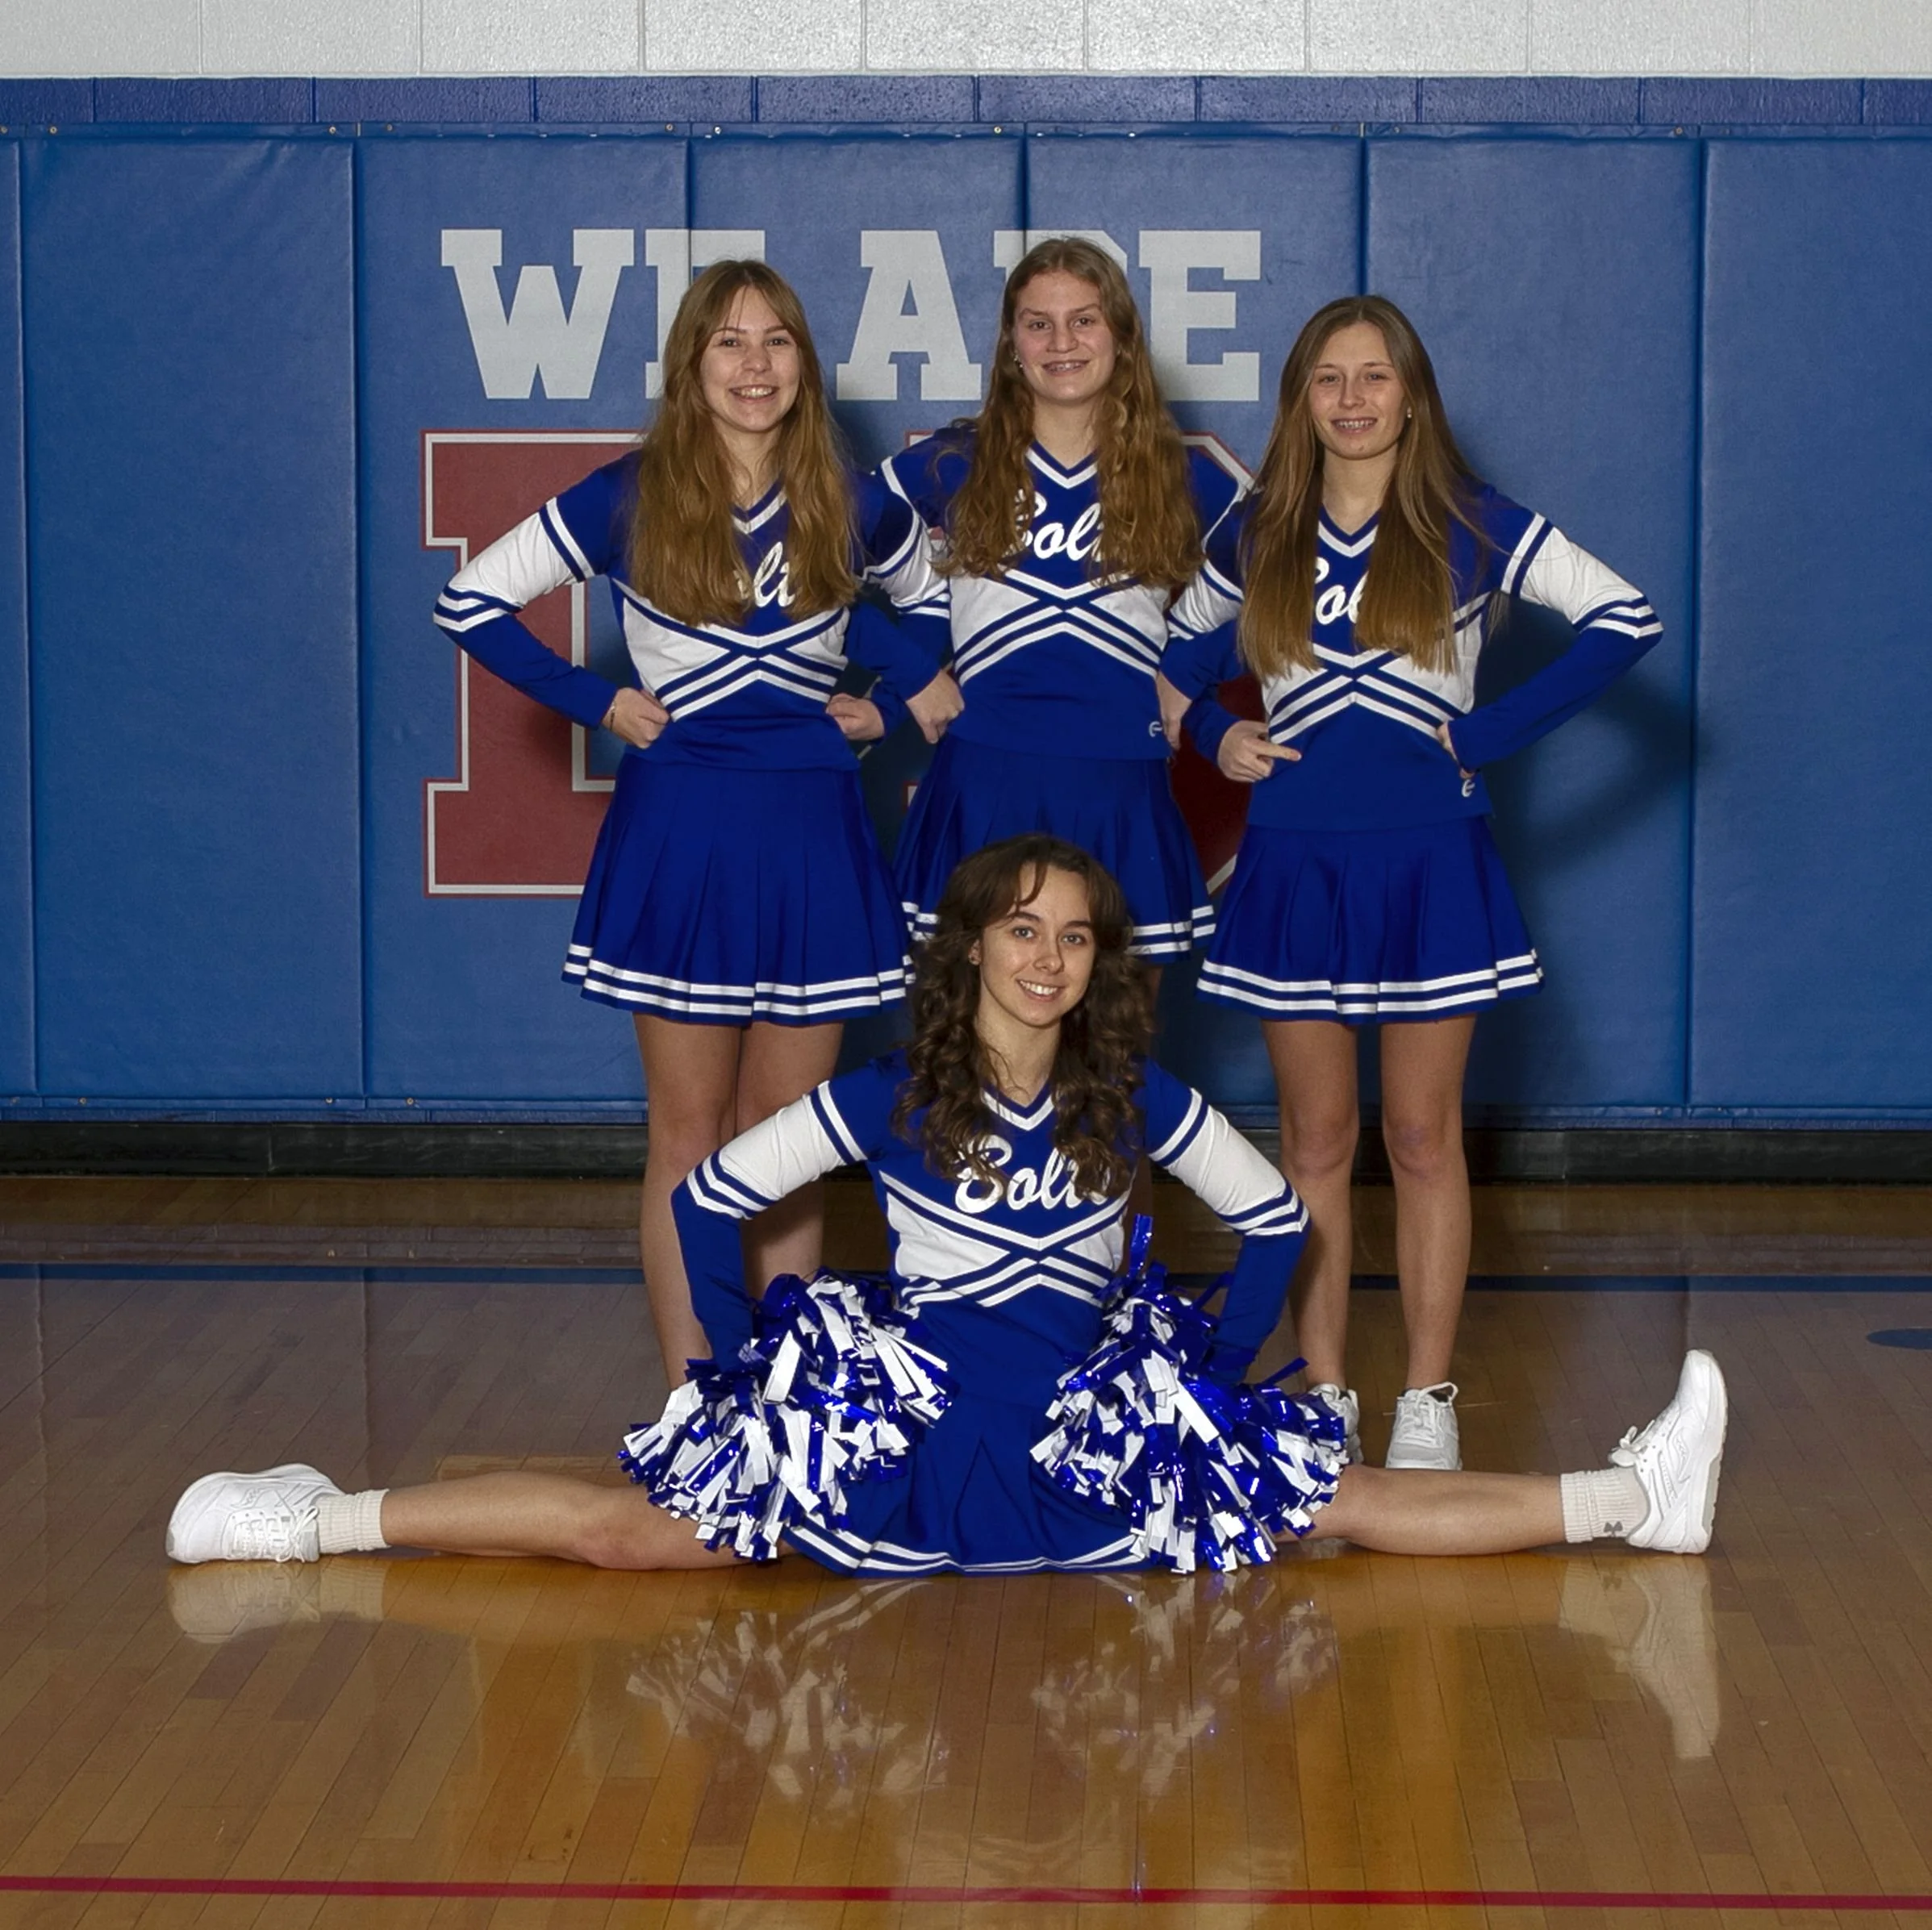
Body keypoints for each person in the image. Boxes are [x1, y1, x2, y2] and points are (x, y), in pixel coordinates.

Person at [165, 840, 1723, 1578]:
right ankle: (310, 1517)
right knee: (624, 1531)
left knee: (1345, 1502)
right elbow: (709, 1199)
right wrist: (737, 1363)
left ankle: (1639, 1500)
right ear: (969, 947)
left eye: (1074, 936)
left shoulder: (1143, 1101)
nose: (1046, 956)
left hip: (1081, 1437)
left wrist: (1206, 1372)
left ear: (1098, 963)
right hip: (905, 1437)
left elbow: (1275, 1226)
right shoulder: (882, 1100)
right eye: (1018, 928)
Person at [431, 260, 962, 1382]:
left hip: (813, 830)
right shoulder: (632, 490)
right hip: (683, 830)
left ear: (802, 366)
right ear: (690, 366)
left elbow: (943, 616)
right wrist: (598, 698)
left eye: (775, 341)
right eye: (728, 342)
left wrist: (883, 706)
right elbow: (469, 597)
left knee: (789, 1139)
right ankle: (690, 1389)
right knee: (688, 1130)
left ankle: (782, 1389)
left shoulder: (849, 495)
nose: (754, 364)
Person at [1158, 294, 1663, 1472]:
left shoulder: (1466, 523)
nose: (1349, 399)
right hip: (1292, 863)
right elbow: (1171, 659)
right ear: (1300, 401)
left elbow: (1621, 617)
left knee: (1424, 1135)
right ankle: (1324, 1393)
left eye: (1372, 376)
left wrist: (1486, 736)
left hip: (1430, 860)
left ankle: (1425, 1398)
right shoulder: (1258, 534)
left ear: (1410, 393)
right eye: (1325, 379)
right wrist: (1208, 738)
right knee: (1315, 1139)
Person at [881, 238, 1237, 966]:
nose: (1061, 342)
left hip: (1119, 785)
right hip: (982, 779)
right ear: (1011, 343)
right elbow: (810, 539)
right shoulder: (955, 461)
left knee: (1113, 1059)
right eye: (1037, 323)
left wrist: (1188, 675)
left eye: (1085, 320)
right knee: (969, 1053)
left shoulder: (1179, 475)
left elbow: (1296, 583)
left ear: (1122, 339)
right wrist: (904, 674)